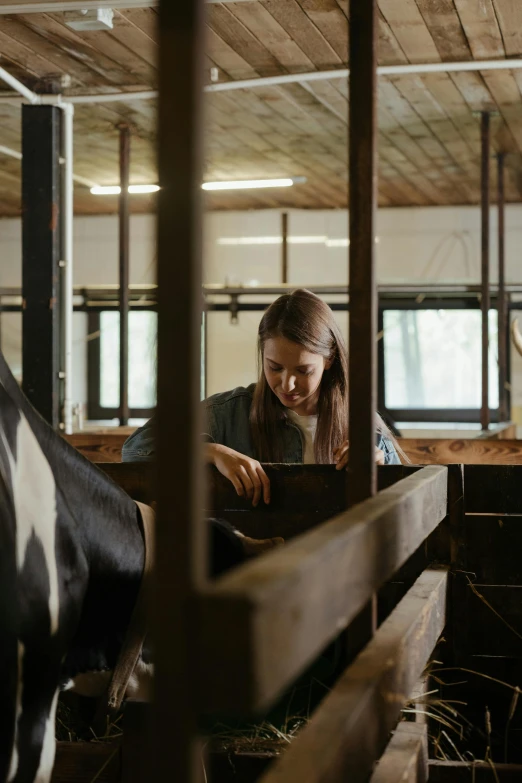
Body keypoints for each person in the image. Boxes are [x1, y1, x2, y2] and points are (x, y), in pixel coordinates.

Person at [122, 289, 401, 505]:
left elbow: (403, 496)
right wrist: (212, 452)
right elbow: (134, 451)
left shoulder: (361, 421)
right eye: (274, 367)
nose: (287, 383)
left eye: (303, 370)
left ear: (329, 361)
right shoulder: (227, 413)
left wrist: (378, 467)